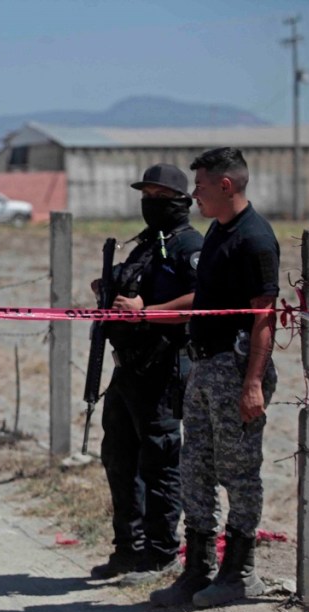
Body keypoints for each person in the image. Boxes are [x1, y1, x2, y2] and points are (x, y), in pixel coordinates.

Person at [150, 147, 280, 609]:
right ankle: (199, 567)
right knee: (196, 470)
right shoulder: (218, 230)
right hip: (204, 365)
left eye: (201, 185)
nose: (195, 194)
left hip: (236, 366)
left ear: (226, 185)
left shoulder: (256, 239)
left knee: (239, 472)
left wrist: (252, 384)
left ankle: (239, 573)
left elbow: (264, 317)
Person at [89, 164, 203, 586]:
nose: (151, 204)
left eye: (160, 197)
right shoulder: (145, 245)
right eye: (146, 196)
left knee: (159, 460)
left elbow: (203, 298)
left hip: (163, 367)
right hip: (127, 369)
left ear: (181, 201)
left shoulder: (189, 245)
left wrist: (147, 313)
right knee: (119, 458)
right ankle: (128, 548)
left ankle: (159, 555)